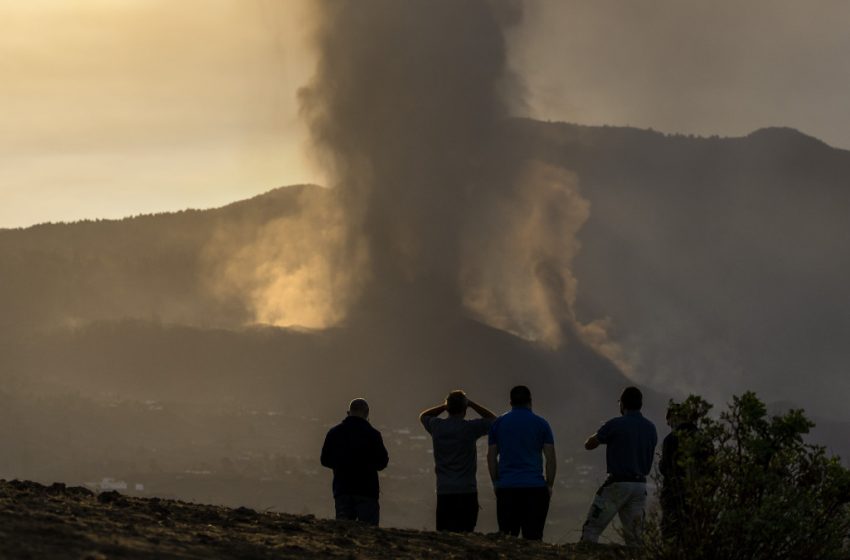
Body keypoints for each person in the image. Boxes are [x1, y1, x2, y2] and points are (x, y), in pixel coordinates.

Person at [580, 386, 657, 546]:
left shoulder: (616, 424)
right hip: (639, 486)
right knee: (635, 539)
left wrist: (602, 431)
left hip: (618, 484)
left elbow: (589, 444)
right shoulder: (651, 428)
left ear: (622, 404)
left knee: (592, 529)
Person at [419, 390, 497, 532]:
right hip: (467, 491)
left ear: (448, 408)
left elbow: (424, 416)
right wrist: (472, 404)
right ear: (464, 409)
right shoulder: (470, 428)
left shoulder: (437, 426)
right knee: (466, 534)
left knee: (445, 536)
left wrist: (445, 406)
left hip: (444, 490)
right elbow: (494, 421)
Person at [487, 385, 557, 540]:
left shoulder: (498, 424)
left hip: (507, 488)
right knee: (533, 539)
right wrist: (549, 485)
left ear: (510, 402)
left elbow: (491, 457)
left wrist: (496, 482)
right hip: (535, 489)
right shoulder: (542, 424)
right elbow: (550, 459)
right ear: (530, 401)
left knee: (507, 539)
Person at [320, 398, 389, 526]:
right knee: (369, 533)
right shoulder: (373, 435)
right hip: (367, 491)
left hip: (342, 489)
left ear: (348, 412)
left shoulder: (334, 433)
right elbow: (382, 462)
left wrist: (341, 465)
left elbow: (325, 460)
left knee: (343, 529)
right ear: (367, 413)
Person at [659, 402, 703, 542]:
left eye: (669, 420)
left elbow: (666, 468)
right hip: (700, 497)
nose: (669, 424)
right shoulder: (702, 437)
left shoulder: (671, 439)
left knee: (671, 534)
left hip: (675, 495)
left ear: (675, 417)